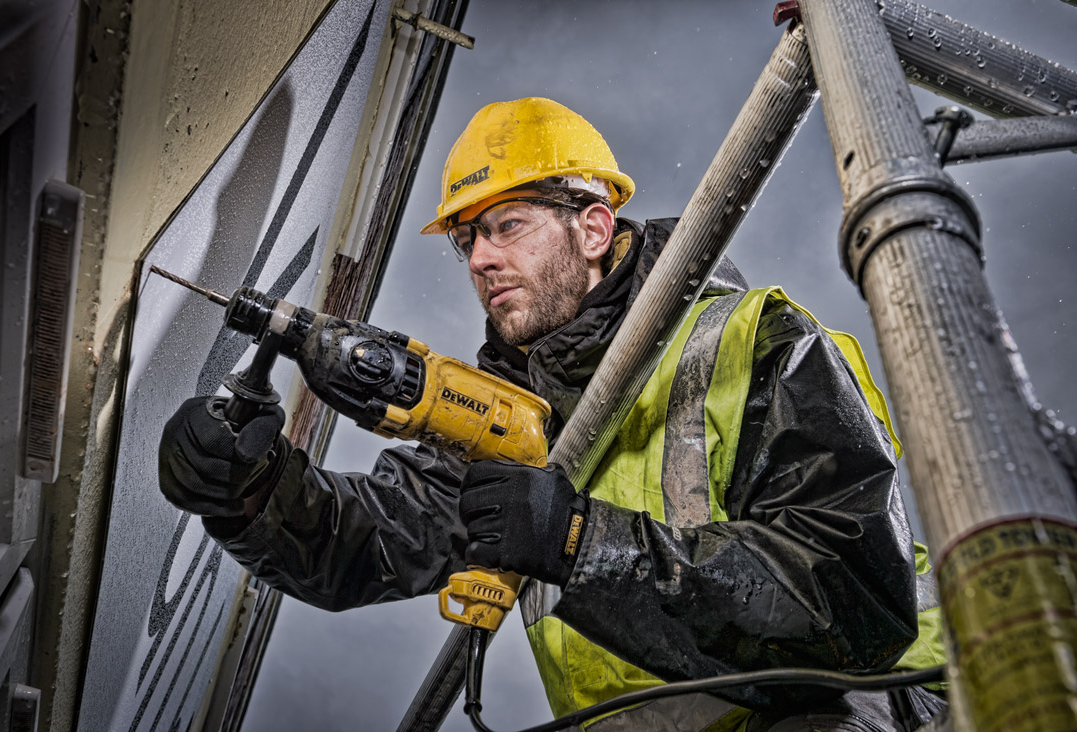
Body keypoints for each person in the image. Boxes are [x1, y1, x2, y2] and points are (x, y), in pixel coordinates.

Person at [159, 97, 947, 731]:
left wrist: (580, 541)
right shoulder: (501, 419)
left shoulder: (759, 344)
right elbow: (361, 544)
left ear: (595, 228)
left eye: (507, 226)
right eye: (467, 240)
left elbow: (850, 601)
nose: (479, 260)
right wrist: (251, 490)